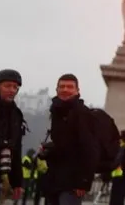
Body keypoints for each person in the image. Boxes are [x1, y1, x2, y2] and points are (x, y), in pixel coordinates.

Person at [44, 73, 97, 205]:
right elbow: (64, 145)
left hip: (72, 182)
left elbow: (89, 148)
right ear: (56, 90)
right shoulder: (56, 112)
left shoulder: (82, 113)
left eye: (70, 87)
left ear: (77, 91)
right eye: (62, 86)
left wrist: (83, 181)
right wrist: (48, 150)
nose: (65, 90)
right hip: (55, 179)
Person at [0, 69, 25, 205]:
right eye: (7, 86)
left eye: (15, 87)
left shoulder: (16, 115)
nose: (12, 90)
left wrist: (17, 181)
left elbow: (16, 148)